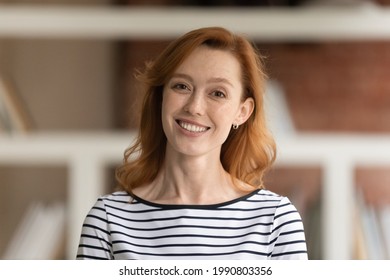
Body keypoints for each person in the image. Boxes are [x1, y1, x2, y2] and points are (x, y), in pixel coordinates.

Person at [76, 26, 308, 260]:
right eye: (181, 86)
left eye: (217, 93)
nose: (195, 107)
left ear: (242, 112)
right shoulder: (107, 219)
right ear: (160, 98)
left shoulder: (276, 221)